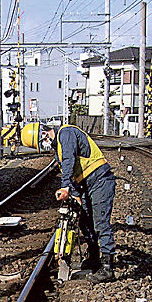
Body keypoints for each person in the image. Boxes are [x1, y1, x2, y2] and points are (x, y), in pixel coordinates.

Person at [22, 121, 116, 282]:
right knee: (86, 223)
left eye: (40, 142)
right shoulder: (57, 147)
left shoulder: (66, 133)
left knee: (100, 223)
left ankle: (108, 268)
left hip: (100, 180)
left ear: (43, 133)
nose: (43, 144)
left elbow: (69, 161)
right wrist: (75, 193)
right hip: (87, 184)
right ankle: (94, 258)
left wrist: (65, 187)